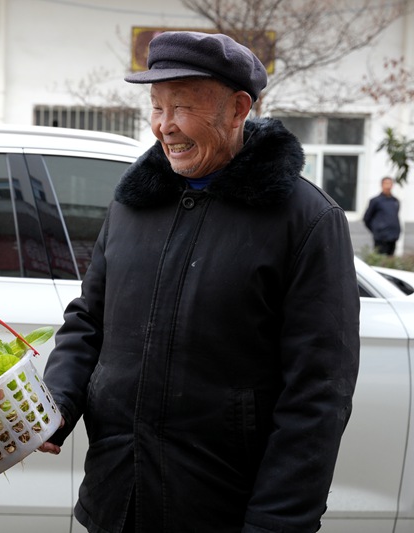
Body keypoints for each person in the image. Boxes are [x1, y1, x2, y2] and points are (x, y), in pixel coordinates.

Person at [38, 31, 360, 532]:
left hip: (221, 510)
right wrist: (57, 403)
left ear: (237, 109)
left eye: (182, 107)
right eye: (156, 107)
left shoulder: (305, 219)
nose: (165, 127)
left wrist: (278, 522)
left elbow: (318, 394)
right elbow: (89, 319)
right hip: (116, 497)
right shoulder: (133, 204)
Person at [363, 176, 401, 256]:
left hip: (393, 236)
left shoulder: (395, 201)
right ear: (382, 185)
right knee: (380, 259)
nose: (388, 186)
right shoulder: (375, 201)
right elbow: (367, 218)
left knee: (390, 260)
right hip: (381, 237)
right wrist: (377, 230)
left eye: (390, 183)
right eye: (386, 183)